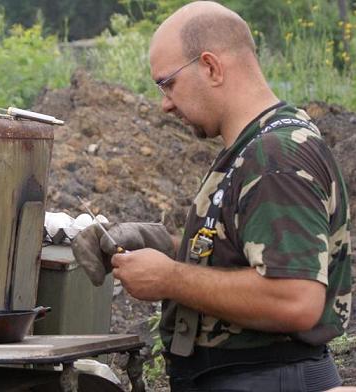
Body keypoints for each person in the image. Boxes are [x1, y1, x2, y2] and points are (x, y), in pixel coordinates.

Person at [72, 1, 352, 391]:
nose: (165, 103)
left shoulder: (275, 157)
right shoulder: (254, 148)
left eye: (168, 83)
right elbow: (247, 257)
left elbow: (295, 299)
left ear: (211, 67)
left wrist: (171, 278)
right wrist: (165, 246)